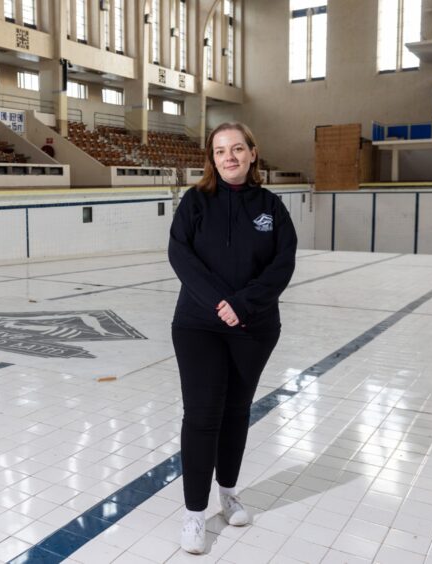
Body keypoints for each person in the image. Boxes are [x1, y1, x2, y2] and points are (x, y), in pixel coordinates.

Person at [168, 122, 297, 554]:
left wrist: (243, 305)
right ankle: (193, 514)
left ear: (253, 153)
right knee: (203, 415)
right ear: (212, 158)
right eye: (221, 150)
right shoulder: (195, 202)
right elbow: (179, 254)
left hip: (254, 327)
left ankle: (228, 493)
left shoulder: (272, 207)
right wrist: (219, 302)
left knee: (237, 411)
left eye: (237, 148)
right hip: (198, 325)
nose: (230, 157)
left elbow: (282, 265)